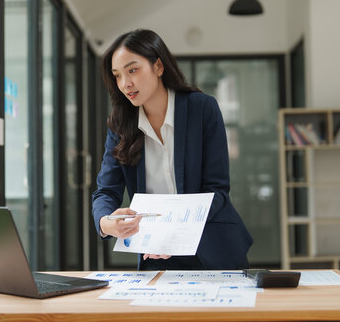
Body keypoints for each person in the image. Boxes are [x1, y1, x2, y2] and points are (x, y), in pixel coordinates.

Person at [91, 29, 252, 270]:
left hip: (214, 250)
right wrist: (106, 222)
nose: (125, 83)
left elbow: (216, 191)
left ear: (158, 67)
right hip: (155, 254)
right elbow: (105, 191)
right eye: (117, 76)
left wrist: (175, 233)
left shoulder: (202, 109)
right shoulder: (120, 124)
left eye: (132, 70)